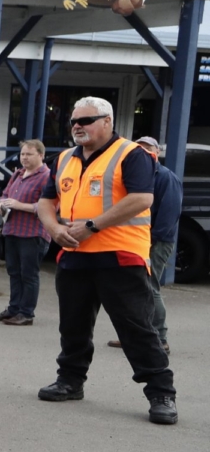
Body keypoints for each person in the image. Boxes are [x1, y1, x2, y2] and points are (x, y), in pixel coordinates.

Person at [35, 98, 177, 425]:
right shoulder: (64, 159)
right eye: (74, 121)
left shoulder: (131, 154)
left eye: (86, 120)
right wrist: (54, 229)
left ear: (108, 122)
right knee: (73, 325)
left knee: (136, 328)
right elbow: (45, 201)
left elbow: (142, 198)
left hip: (120, 256)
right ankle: (70, 380)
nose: (77, 126)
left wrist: (92, 226)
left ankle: (161, 392)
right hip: (73, 256)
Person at [107, 136, 181, 354]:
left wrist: (151, 241)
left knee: (150, 287)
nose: (144, 152)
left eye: (148, 149)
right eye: (139, 148)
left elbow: (169, 214)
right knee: (132, 288)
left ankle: (160, 338)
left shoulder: (166, 178)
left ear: (157, 153)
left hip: (155, 242)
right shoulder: (134, 175)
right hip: (132, 240)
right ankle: (136, 335)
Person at [0, 139, 52, 326]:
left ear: (41, 155)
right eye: (22, 154)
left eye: (29, 154)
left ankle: (26, 313)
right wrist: (0, 205)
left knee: (29, 274)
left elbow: (50, 206)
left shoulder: (47, 177)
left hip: (33, 234)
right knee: (14, 272)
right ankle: (13, 309)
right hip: (12, 230)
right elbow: (5, 194)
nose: (24, 158)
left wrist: (19, 205)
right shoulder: (17, 174)